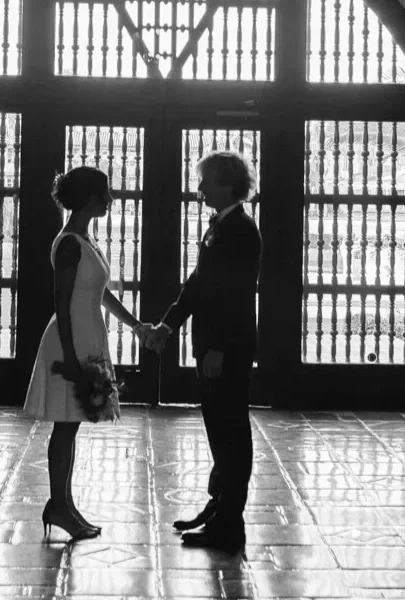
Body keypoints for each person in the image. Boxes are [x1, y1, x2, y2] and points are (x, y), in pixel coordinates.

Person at [23, 166, 153, 541]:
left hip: (86, 334)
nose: (109, 200)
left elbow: (102, 294)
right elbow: (61, 304)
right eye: (104, 195)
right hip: (71, 340)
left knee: (71, 425)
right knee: (64, 427)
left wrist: (136, 325)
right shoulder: (68, 244)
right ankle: (59, 505)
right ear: (87, 199)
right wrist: (68, 357)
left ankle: (63, 504)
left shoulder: (84, 239)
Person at [147, 150, 262, 553]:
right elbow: (197, 287)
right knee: (219, 429)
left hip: (224, 347)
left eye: (205, 182)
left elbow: (231, 297)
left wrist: (217, 349)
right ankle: (218, 507)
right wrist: (168, 324)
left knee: (231, 431)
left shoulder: (241, 231)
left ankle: (229, 522)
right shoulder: (221, 227)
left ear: (227, 183)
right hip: (213, 345)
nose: (199, 190)